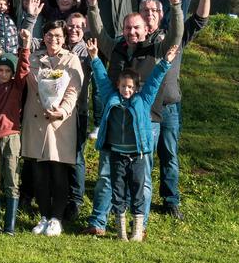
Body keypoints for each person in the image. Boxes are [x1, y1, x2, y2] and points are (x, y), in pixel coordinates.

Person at [87, 38, 179, 241]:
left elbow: (155, 80)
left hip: (137, 154)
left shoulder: (143, 100)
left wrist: (166, 62)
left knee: (137, 190)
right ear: (118, 86)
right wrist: (94, 57)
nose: (126, 90)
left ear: (136, 88)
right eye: (123, 86)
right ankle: (120, 230)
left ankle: (137, 229)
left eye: (130, 87)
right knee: (118, 191)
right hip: (117, 153)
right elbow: (102, 79)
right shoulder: (111, 97)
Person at [21, 20, 84, 237]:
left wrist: (63, 111)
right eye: (49, 34)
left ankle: (57, 218)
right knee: (38, 173)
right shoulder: (34, 58)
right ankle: (44, 216)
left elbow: (74, 90)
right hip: (36, 120)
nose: (53, 39)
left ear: (64, 38)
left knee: (58, 172)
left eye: (58, 35)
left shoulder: (72, 60)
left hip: (59, 123)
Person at [0, 32, 31, 234]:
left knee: (12, 180)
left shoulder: (16, 87)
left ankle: (10, 224)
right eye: (0, 70)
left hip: (12, 136)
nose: (2, 74)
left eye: (6, 71)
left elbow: (23, 67)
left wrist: (25, 45)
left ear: (11, 73)